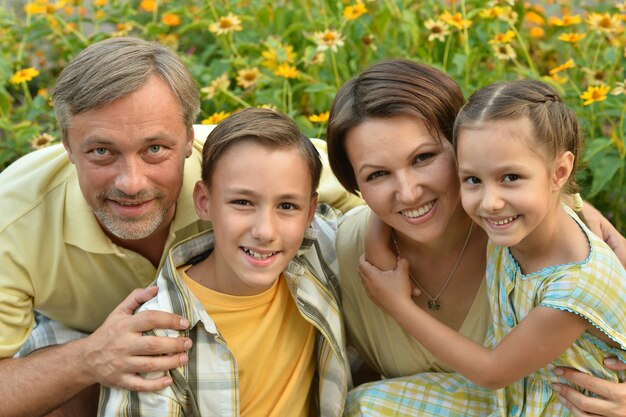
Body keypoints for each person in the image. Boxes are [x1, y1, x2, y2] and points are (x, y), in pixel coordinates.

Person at [0, 36, 357, 417]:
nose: (131, 182)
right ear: (67, 145)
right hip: (82, 337)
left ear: (190, 137)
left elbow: (373, 187)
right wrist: (88, 359)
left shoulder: (241, 170)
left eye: (155, 149)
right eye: (102, 151)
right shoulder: (13, 221)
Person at [325, 59, 626, 416]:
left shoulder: (518, 234)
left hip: (565, 404)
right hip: (508, 398)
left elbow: (492, 371)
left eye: (424, 157)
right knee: (363, 406)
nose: (407, 193)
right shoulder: (503, 220)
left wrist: (398, 305)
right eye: (377, 174)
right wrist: (378, 241)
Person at [98, 107, 350, 416]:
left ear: (310, 213)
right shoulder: (158, 334)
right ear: (204, 202)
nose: (265, 232)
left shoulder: (316, 250)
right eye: (242, 203)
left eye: (287, 206)